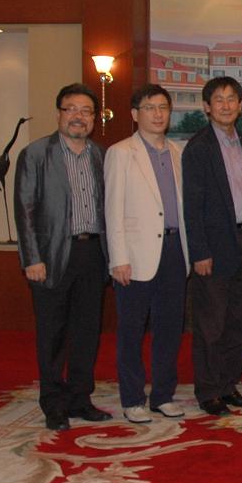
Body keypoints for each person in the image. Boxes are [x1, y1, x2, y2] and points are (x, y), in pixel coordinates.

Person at [14, 83, 112, 431]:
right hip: (51, 255)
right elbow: (25, 209)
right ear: (59, 114)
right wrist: (31, 258)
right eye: (71, 109)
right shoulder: (36, 154)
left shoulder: (101, 155)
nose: (78, 117)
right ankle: (54, 403)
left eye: (86, 111)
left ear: (94, 118)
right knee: (52, 334)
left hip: (93, 253)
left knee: (87, 332)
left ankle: (80, 399)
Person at [104, 84, 189, 423]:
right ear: (134, 114)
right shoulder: (121, 152)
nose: (157, 114)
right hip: (135, 255)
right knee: (132, 330)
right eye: (150, 108)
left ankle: (163, 395)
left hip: (174, 250)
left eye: (163, 108)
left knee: (170, 329)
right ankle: (133, 398)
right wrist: (118, 258)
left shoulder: (177, 151)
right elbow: (113, 209)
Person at [182, 76, 242, 416]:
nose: (226, 105)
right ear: (207, 106)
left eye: (232, 99)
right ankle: (209, 390)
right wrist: (199, 252)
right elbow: (192, 205)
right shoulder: (199, 147)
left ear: (240, 106)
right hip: (214, 248)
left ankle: (229, 385)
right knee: (210, 324)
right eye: (219, 99)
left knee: (238, 322)